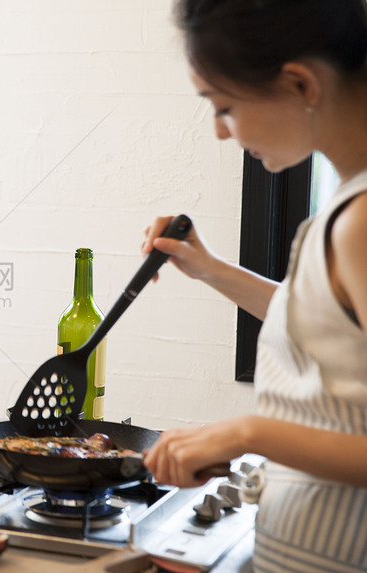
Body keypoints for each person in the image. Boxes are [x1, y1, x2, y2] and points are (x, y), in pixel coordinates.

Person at [141, 1, 367, 571]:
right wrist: (211, 268)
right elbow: (330, 328)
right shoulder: (349, 202)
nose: (221, 131)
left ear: (299, 83)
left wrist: (249, 430)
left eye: (225, 106)